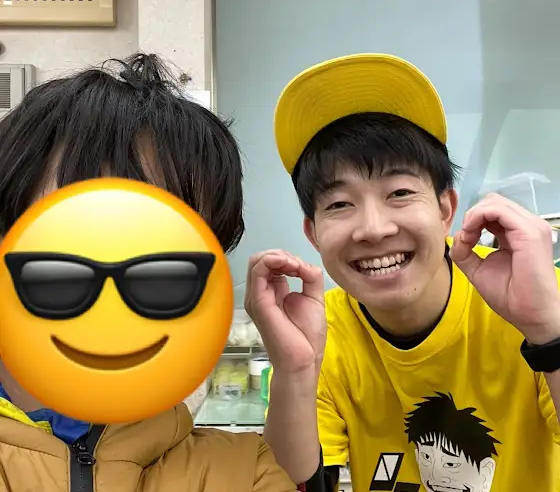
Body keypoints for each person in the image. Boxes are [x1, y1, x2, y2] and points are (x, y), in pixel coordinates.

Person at [245, 53, 560, 492]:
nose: (374, 229)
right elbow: (291, 484)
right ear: (313, 234)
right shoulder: (321, 334)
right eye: (340, 204)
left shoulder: (534, 298)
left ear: (446, 209)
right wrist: (295, 370)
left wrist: (548, 332)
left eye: (399, 193)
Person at [0, 53, 296, 492]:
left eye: (165, 268)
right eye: (68, 246)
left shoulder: (242, 472)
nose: (113, 300)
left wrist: (295, 370)